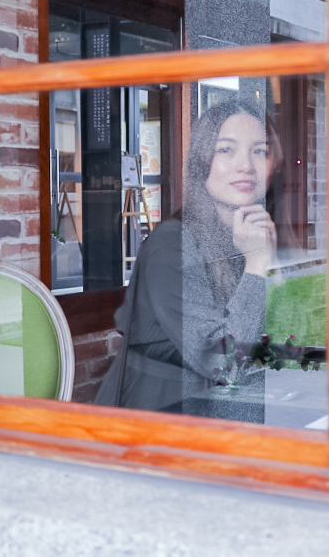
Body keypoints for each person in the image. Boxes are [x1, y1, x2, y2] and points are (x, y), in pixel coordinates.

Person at [95, 99, 279, 422]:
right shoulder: (172, 245)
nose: (246, 166)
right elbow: (226, 364)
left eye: (259, 151)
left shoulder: (245, 236)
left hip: (223, 404)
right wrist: (257, 266)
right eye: (226, 150)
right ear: (202, 159)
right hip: (160, 412)